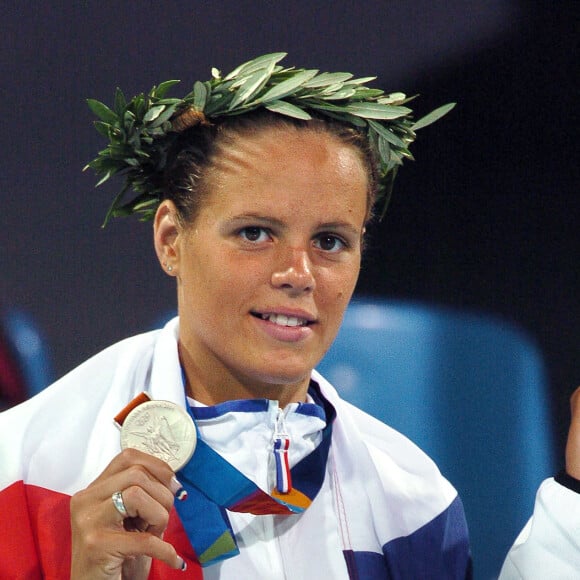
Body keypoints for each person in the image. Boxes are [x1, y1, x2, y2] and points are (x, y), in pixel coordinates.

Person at [0, 53, 577, 579]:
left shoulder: (411, 501)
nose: (299, 273)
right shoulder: (25, 467)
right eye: (255, 233)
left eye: (330, 241)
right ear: (172, 239)